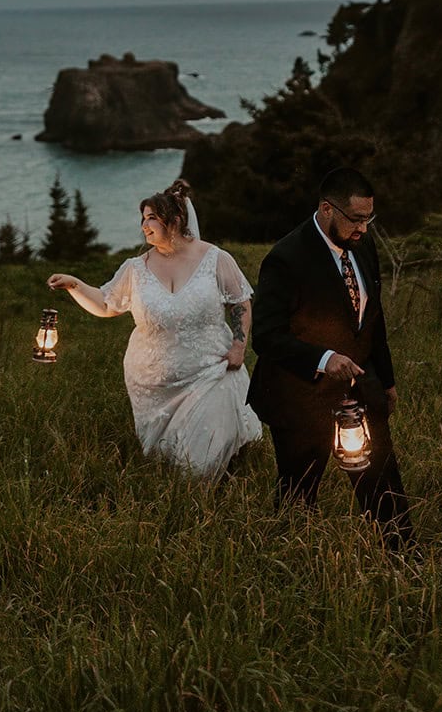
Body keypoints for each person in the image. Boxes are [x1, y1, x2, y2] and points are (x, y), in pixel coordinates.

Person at [47, 179, 261, 478]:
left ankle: (209, 494)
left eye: (152, 218)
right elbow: (107, 305)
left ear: (174, 221)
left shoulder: (216, 258)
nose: (144, 226)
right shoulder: (135, 268)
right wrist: (74, 284)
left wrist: (239, 346)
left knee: (198, 462)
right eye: (143, 218)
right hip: (153, 383)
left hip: (212, 371)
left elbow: (240, 302)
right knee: (168, 460)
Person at [247, 166, 414, 550]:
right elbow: (266, 337)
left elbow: (374, 320)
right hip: (299, 396)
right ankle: (293, 567)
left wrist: (386, 382)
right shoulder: (286, 258)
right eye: (356, 219)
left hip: (361, 387)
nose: (364, 229)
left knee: (384, 488)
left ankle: (406, 563)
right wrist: (324, 358)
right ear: (326, 209)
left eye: (368, 219)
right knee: (297, 496)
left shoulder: (363, 246)